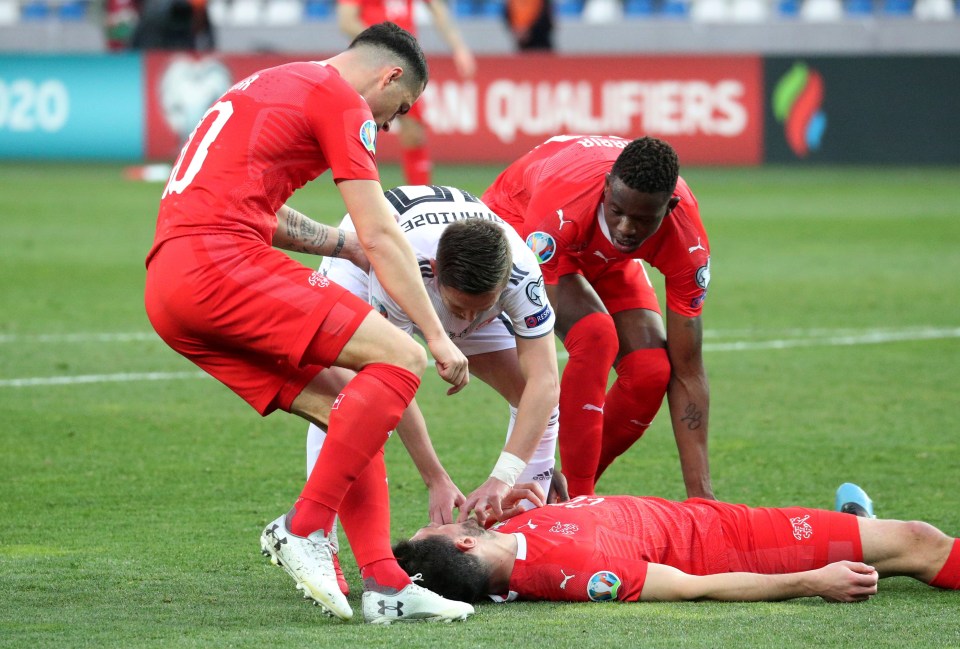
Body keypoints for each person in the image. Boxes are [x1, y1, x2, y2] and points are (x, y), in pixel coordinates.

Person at [144, 23, 476, 624]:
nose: (392, 125)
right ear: (389, 76)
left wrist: (337, 244)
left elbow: (248, 204)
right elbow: (382, 231)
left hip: (171, 286)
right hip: (219, 263)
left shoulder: (270, 82)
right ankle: (304, 525)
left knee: (351, 407)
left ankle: (385, 584)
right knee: (401, 357)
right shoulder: (340, 98)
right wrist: (436, 333)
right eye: (398, 109)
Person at [303, 185, 563, 593]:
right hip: (373, 253)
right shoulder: (396, 268)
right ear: (438, 273)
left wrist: (503, 477)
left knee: (530, 395)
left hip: (449, 267)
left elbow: (545, 383)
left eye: (484, 308)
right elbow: (389, 381)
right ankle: (318, 546)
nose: (469, 320)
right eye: (461, 309)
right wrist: (435, 478)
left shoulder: (521, 275)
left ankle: (522, 533)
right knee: (344, 395)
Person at [482, 135, 713, 500]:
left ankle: (568, 496)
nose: (625, 228)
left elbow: (689, 369)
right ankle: (580, 505)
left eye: (641, 219)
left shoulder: (688, 242)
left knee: (651, 372)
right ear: (606, 188)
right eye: (617, 211)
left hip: (598, 251)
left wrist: (703, 498)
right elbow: (539, 324)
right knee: (595, 336)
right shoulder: (562, 204)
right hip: (519, 222)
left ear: (669, 208)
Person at [393, 483, 960, 604]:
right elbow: (698, 587)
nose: (443, 518)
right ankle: (860, 537)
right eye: (436, 526)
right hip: (744, 544)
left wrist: (544, 504)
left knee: (883, 537)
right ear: (463, 548)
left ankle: (859, 527)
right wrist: (814, 580)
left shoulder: (508, 538)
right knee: (921, 541)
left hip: (708, 517)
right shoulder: (582, 575)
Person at [336, 0, 476, 185]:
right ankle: (359, 199)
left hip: (404, 65)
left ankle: (420, 198)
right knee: (357, 132)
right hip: (369, 62)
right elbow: (346, 21)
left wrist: (459, 48)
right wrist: (386, 45)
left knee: (414, 132)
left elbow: (438, 10)